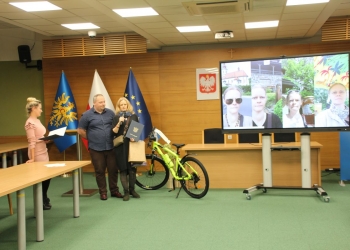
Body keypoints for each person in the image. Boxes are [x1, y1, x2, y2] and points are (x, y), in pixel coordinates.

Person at [77, 94, 123, 201]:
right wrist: (92, 138)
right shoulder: (87, 115)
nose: (103, 104)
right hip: (96, 148)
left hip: (111, 147)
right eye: (100, 102)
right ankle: (103, 192)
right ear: (94, 103)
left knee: (113, 170)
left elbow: (116, 126)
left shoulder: (110, 113)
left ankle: (114, 190)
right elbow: (81, 130)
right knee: (100, 171)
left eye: (104, 102)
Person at [24, 97, 52, 210]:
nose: (41, 110)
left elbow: (38, 137)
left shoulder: (38, 121)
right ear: (34, 108)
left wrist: (46, 139)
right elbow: (31, 141)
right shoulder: (29, 123)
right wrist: (32, 158)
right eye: (40, 108)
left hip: (44, 151)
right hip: (37, 153)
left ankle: (44, 196)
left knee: (47, 177)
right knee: (41, 178)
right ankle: (41, 200)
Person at [112, 97, 141, 201]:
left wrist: (135, 137)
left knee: (132, 169)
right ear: (119, 107)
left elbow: (137, 130)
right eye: (121, 105)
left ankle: (132, 190)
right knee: (123, 169)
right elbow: (114, 132)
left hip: (132, 146)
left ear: (128, 105)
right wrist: (119, 123)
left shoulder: (133, 116)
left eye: (125, 104)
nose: (123, 106)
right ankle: (126, 192)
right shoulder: (116, 117)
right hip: (121, 146)